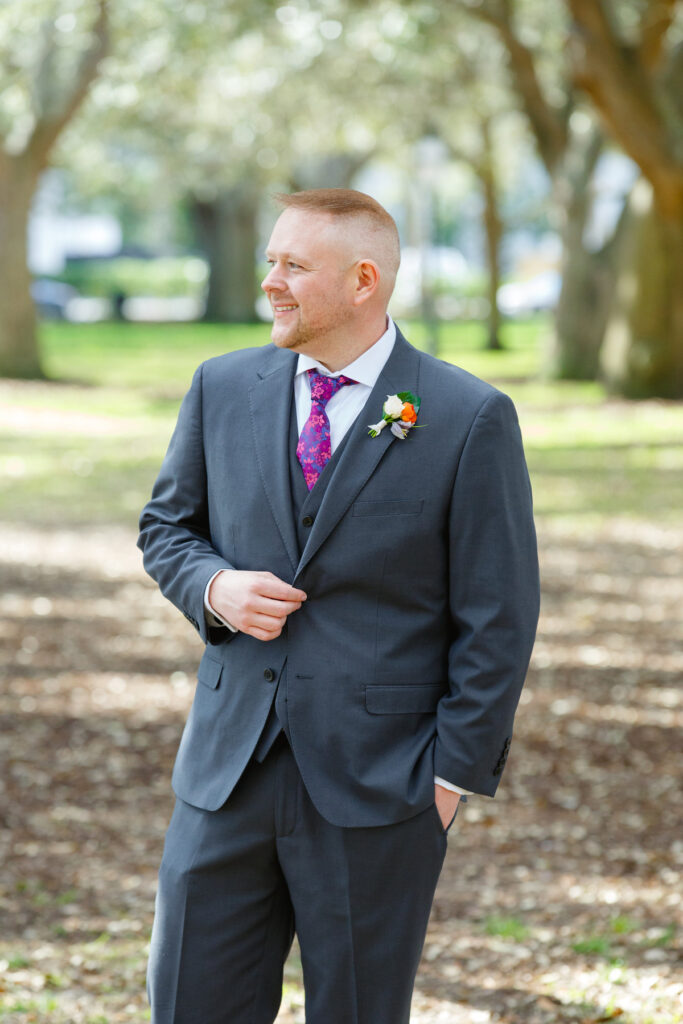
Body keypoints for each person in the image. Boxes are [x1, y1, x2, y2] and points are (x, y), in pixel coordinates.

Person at [138, 188, 540, 1024]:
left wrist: (447, 779)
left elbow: (497, 615)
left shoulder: (467, 416)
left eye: (293, 266)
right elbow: (167, 528)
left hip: (382, 786)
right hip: (225, 773)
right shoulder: (221, 386)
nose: (270, 283)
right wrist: (214, 586)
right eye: (269, 261)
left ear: (364, 281)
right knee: (188, 1006)